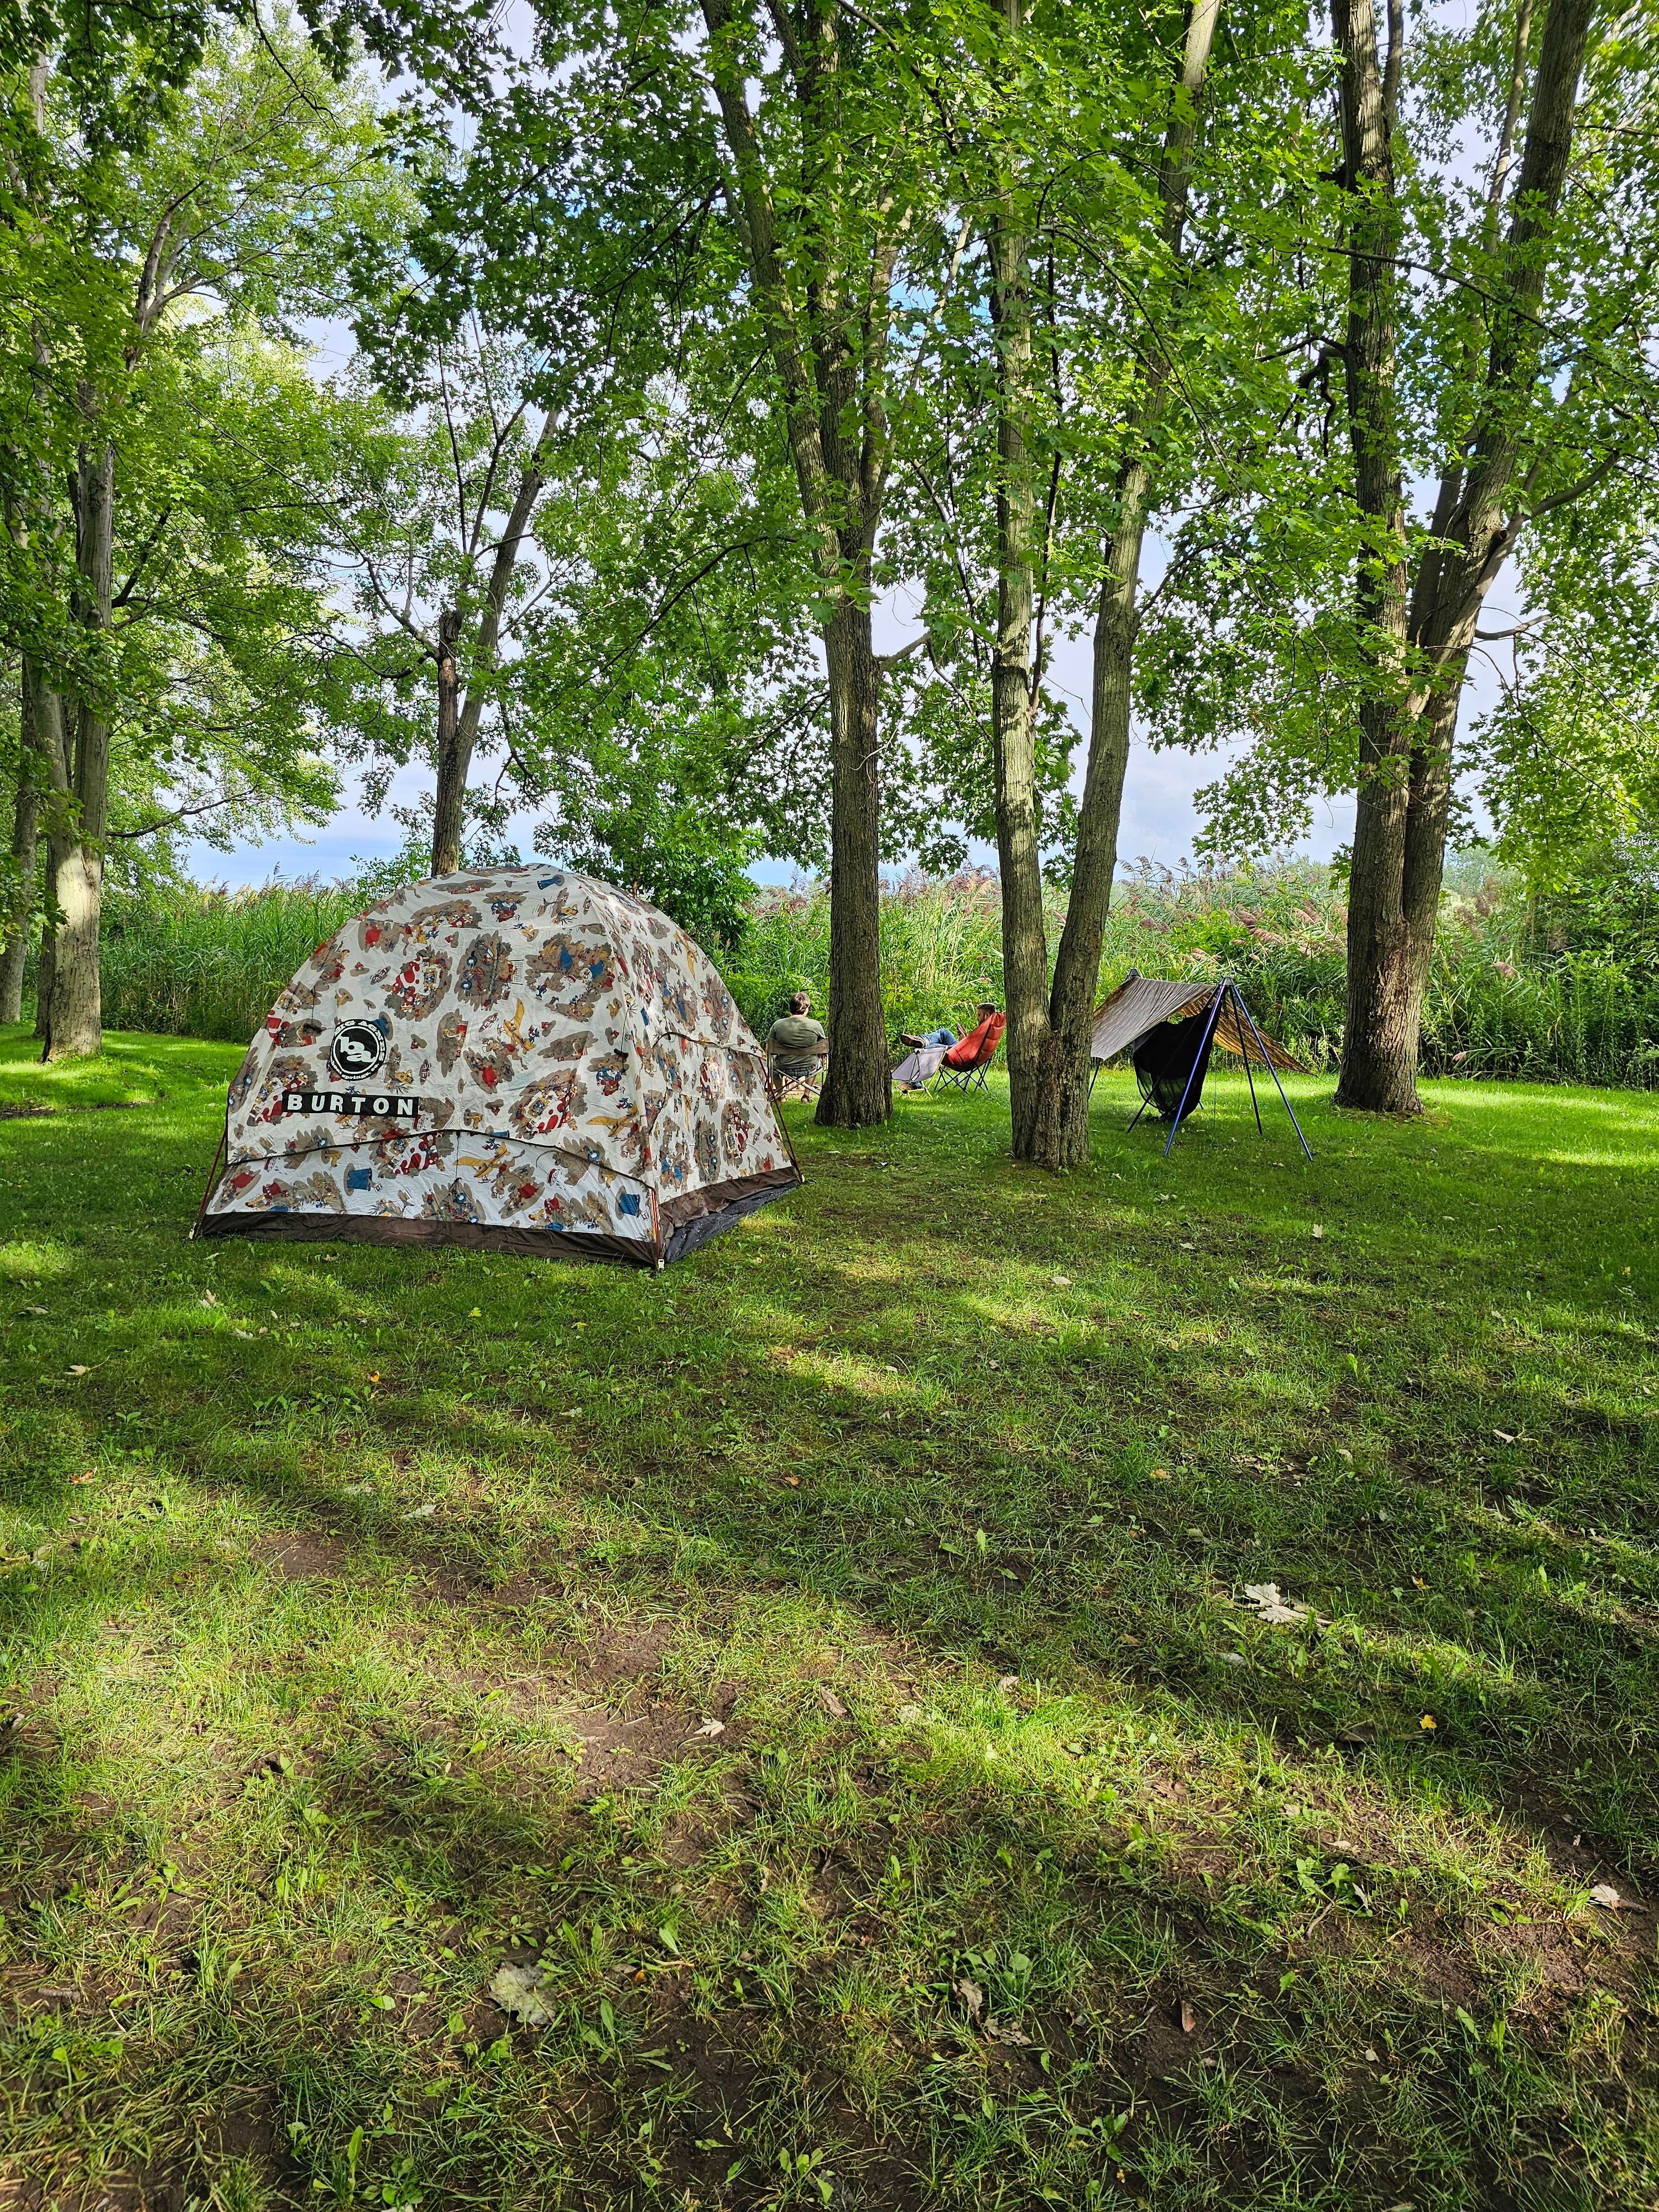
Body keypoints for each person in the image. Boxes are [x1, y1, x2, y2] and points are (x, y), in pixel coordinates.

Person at [764, 991, 829, 1086]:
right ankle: (806, 1095)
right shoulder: (816, 1025)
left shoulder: (778, 1025)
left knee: (772, 1063)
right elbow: (823, 1047)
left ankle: (780, 1094)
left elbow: (768, 1048)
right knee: (818, 1061)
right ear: (806, 1009)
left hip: (784, 1067)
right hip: (810, 1066)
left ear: (791, 1007)